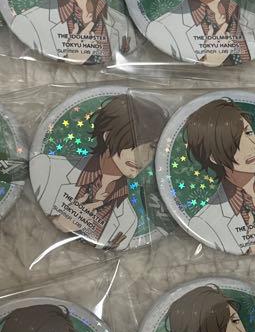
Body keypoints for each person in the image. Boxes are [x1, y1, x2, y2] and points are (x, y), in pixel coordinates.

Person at [29, 93, 165, 249]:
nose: (143, 158)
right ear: (108, 136)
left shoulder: (129, 221)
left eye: (152, 147)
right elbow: (28, 226)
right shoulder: (46, 168)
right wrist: (59, 222)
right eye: (135, 142)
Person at [183, 98, 255, 254]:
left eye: (248, 133)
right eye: (235, 142)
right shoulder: (203, 222)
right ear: (214, 157)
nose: (252, 145)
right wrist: (253, 249)